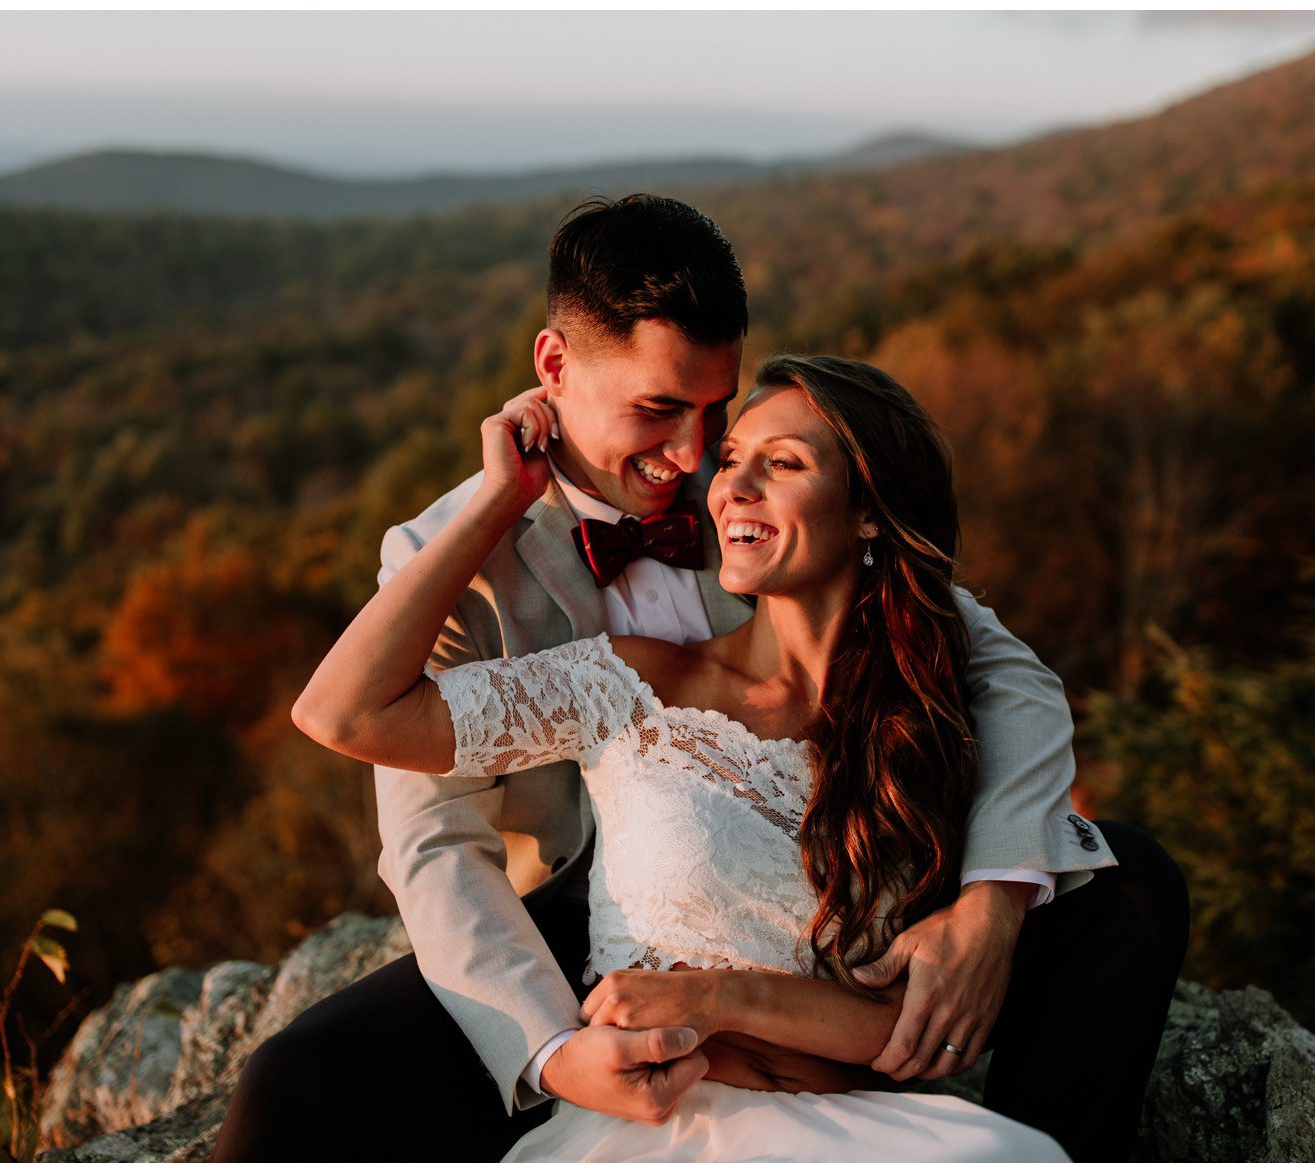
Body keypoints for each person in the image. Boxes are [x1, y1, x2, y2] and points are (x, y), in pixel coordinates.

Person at [211, 195, 1187, 1162]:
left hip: (815, 867)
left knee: (1128, 881)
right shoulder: (444, 561)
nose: (692, 458)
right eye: (660, 410)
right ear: (553, 369)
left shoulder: (758, 506)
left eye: (714, 411)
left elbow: (1002, 671)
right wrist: (551, 1050)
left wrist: (990, 901)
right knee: (300, 1086)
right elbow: (432, 842)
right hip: (574, 913)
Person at [293, 354, 1113, 1159]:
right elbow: (344, 711)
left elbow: (906, 1024)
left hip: (862, 1128)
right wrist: (499, 498)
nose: (727, 484)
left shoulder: (920, 724)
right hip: (665, 1128)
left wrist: (718, 996)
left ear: (870, 511)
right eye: (732, 461)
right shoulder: (625, 679)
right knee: (298, 1080)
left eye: (782, 463)